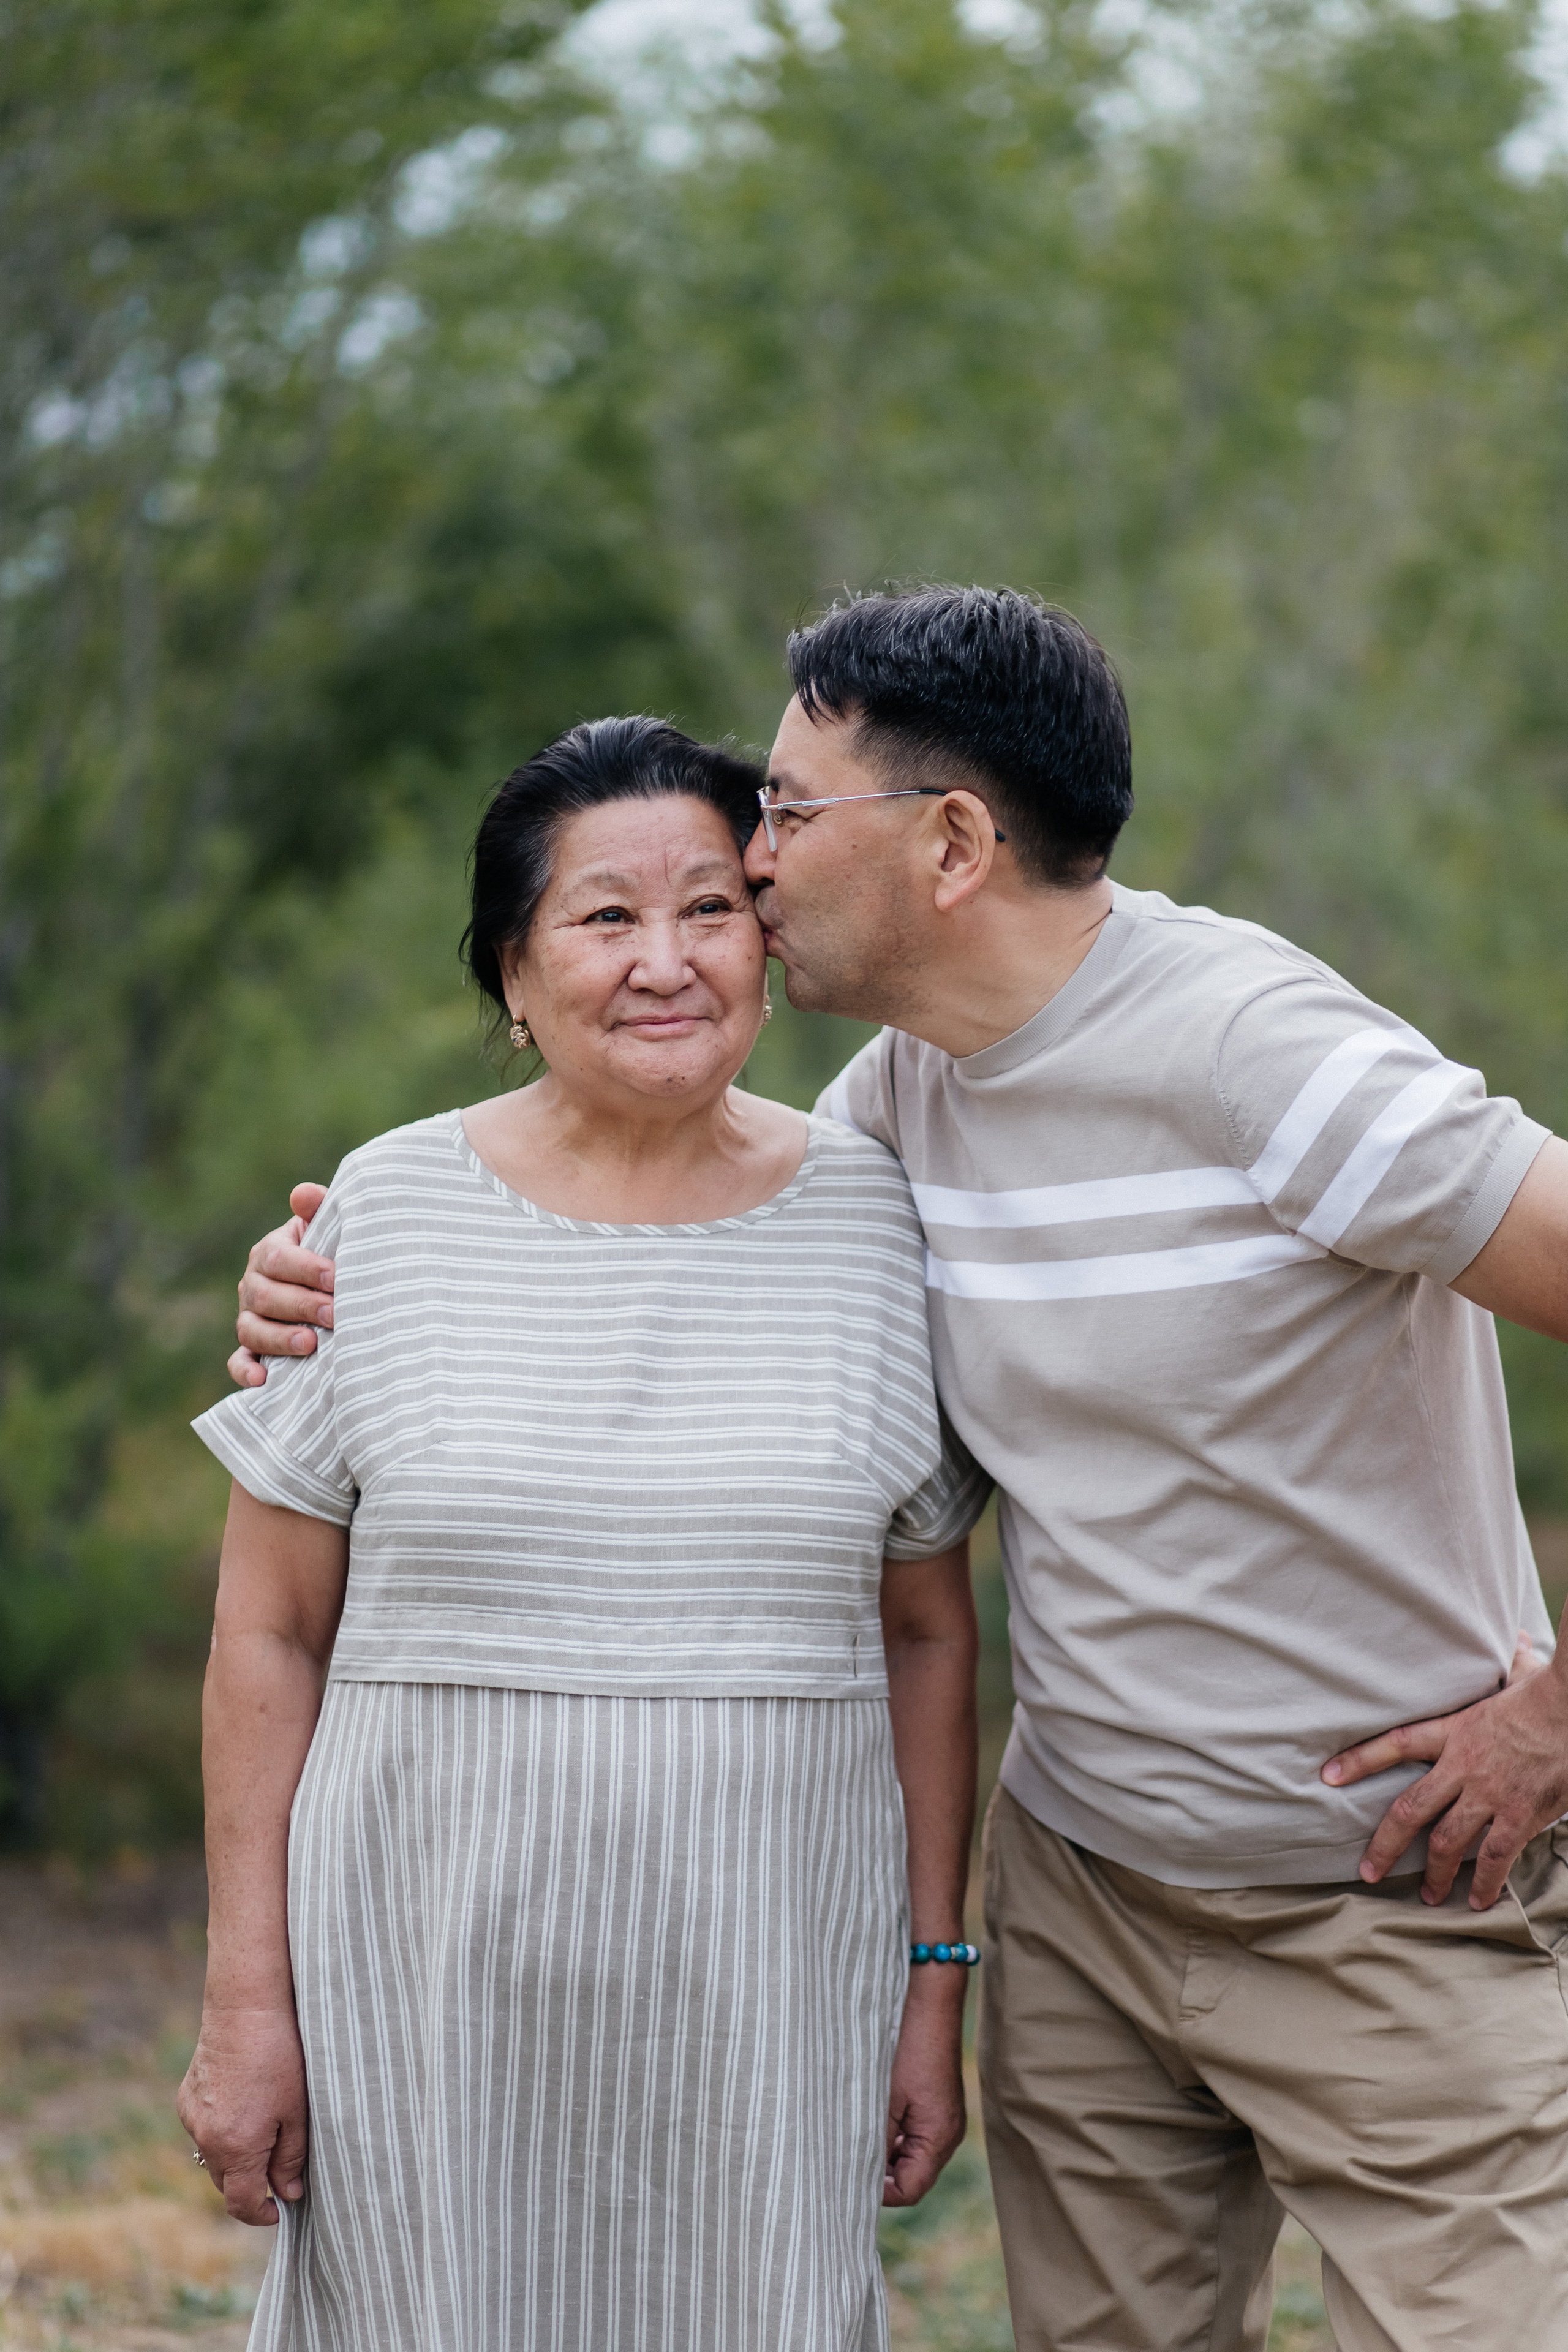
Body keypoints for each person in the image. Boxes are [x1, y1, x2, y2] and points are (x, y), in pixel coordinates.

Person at [233, 590, 1568, 2352]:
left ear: (951, 842)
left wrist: (1552, 1717)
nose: (753, 861)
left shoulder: (1274, 1061)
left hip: (1385, 1896)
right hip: (1087, 1898)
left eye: (785, 812)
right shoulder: (891, 1122)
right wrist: (322, 1278)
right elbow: (671, 1252)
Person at [179, 715, 992, 2352]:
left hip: (775, 1968)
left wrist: (932, 1984)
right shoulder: (377, 1219)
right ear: (514, 971)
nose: (666, 961)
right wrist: (245, 2002)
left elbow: (927, 1635)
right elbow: (268, 1628)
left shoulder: (880, 1214)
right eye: (604, 918)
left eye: (710, 908)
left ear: (768, 941)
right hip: (423, 1962)